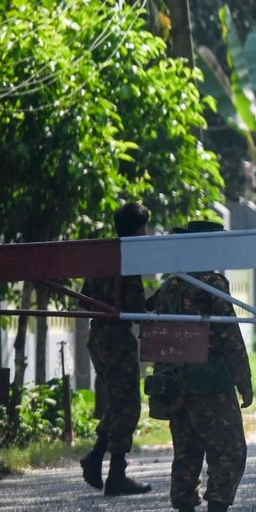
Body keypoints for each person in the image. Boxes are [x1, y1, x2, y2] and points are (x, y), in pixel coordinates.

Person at [150, 220, 256, 512]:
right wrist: (244, 379)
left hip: (173, 385)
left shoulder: (169, 286)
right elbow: (229, 335)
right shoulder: (212, 285)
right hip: (209, 384)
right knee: (229, 449)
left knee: (186, 453)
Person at [79, 202, 153, 496]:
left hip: (97, 336)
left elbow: (84, 298)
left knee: (117, 402)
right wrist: (152, 304)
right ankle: (116, 473)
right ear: (138, 229)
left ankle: (96, 457)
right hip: (117, 339)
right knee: (129, 405)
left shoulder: (102, 259)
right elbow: (134, 308)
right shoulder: (127, 259)